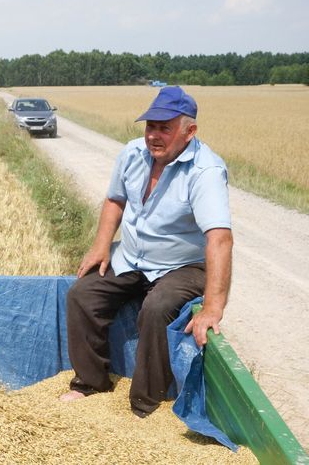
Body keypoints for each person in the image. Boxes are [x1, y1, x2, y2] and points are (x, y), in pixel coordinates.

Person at [59, 85, 234, 418]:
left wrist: (213, 306)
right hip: (132, 256)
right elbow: (115, 200)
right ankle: (90, 383)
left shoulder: (205, 171)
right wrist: (101, 245)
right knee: (82, 293)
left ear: (189, 131)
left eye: (164, 128)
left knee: (157, 307)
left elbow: (220, 239)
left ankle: (145, 403)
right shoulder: (132, 154)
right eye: (150, 126)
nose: (153, 135)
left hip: (183, 265)